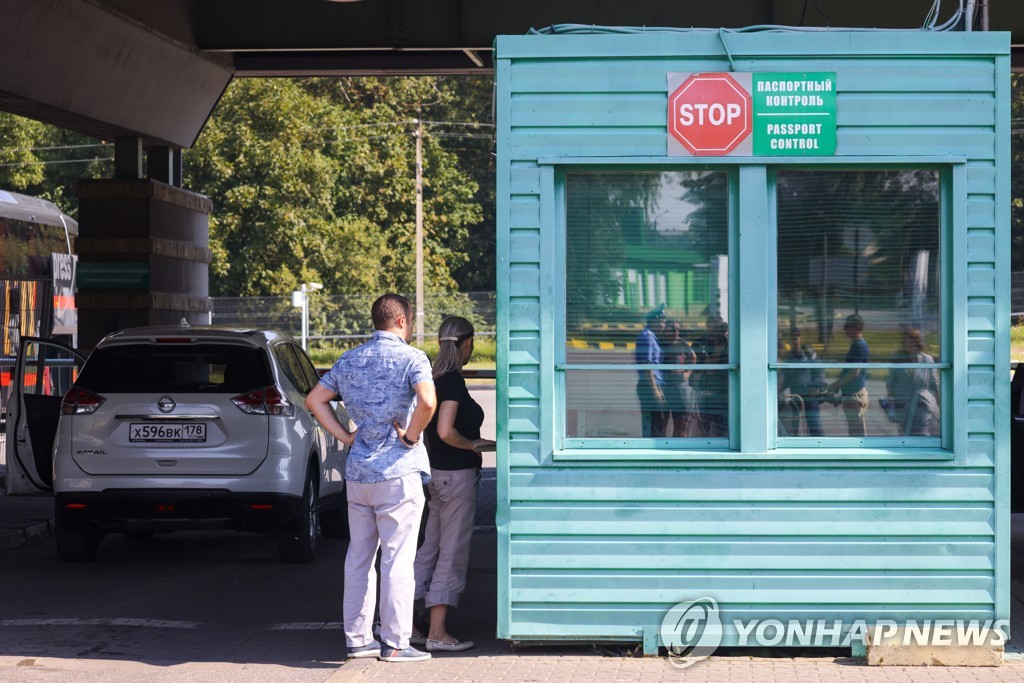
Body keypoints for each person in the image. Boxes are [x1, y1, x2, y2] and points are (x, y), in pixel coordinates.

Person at [305, 293, 437, 663]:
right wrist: (410, 437)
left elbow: (315, 400)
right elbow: (428, 401)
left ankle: (358, 640)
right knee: (397, 558)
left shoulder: (350, 359)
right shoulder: (413, 358)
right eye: (409, 322)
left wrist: (346, 437)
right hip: (398, 473)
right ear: (401, 321)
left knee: (359, 557)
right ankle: (396, 643)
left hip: (359, 474)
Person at [411, 316, 496, 652]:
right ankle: (438, 632)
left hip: (435, 476)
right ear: (467, 343)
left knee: (427, 551)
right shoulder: (454, 384)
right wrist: (474, 444)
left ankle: (406, 625)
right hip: (458, 479)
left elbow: (431, 433)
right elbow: (446, 432)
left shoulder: (433, 379)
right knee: (451, 554)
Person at [885, 327, 940, 436]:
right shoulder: (897, 359)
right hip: (903, 404)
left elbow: (935, 383)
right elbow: (891, 382)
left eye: (911, 341)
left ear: (917, 342)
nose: (908, 344)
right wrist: (892, 401)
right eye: (906, 342)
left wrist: (939, 402)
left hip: (923, 404)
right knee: (905, 436)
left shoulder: (927, 359)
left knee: (922, 434)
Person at [827, 314, 870, 436]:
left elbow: (854, 372)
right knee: (855, 432)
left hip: (854, 395)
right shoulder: (856, 345)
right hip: (853, 393)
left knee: (858, 435)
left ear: (857, 327)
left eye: (848, 327)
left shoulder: (859, 346)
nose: (845, 329)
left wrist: (836, 384)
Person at [779, 326, 824, 437]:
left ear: (800, 337)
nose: (795, 339)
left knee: (814, 426)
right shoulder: (788, 357)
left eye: (797, 336)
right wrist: (778, 390)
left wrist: (817, 387)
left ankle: (821, 447)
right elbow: (786, 376)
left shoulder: (808, 352)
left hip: (810, 395)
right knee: (793, 427)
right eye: (792, 337)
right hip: (796, 396)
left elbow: (818, 371)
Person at [635, 305, 667, 437]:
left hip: (652, 384)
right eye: (663, 321)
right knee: (654, 424)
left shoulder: (652, 336)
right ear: (656, 320)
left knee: (656, 422)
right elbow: (647, 365)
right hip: (649, 386)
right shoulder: (647, 337)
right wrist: (655, 391)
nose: (664, 324)